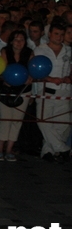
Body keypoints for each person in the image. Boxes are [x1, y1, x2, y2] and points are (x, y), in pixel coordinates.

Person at [33, 22, 72, 162]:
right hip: (46, 90)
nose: (59, 37)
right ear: (49, 34)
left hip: (65, 91)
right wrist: (49, 78)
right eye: (56, 34)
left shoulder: (69, 50)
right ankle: (62, 148)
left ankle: (48, 151)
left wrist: (69, 78)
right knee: (43, 121)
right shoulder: (40, 50)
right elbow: (34, 69)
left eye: (62, 35)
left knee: (63, 124)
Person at [0, 29, 33, 162]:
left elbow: (32, 70)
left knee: (17, 121)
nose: (19, 42)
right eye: (16, 39)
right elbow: (1, 69)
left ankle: (9, 149)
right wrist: (5, 78)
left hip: (23, 91)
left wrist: (30, 77)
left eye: (22, 40)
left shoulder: (29, 53)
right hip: (6, 90)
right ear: (11, 41)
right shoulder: (5, 51)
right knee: (5, 119)